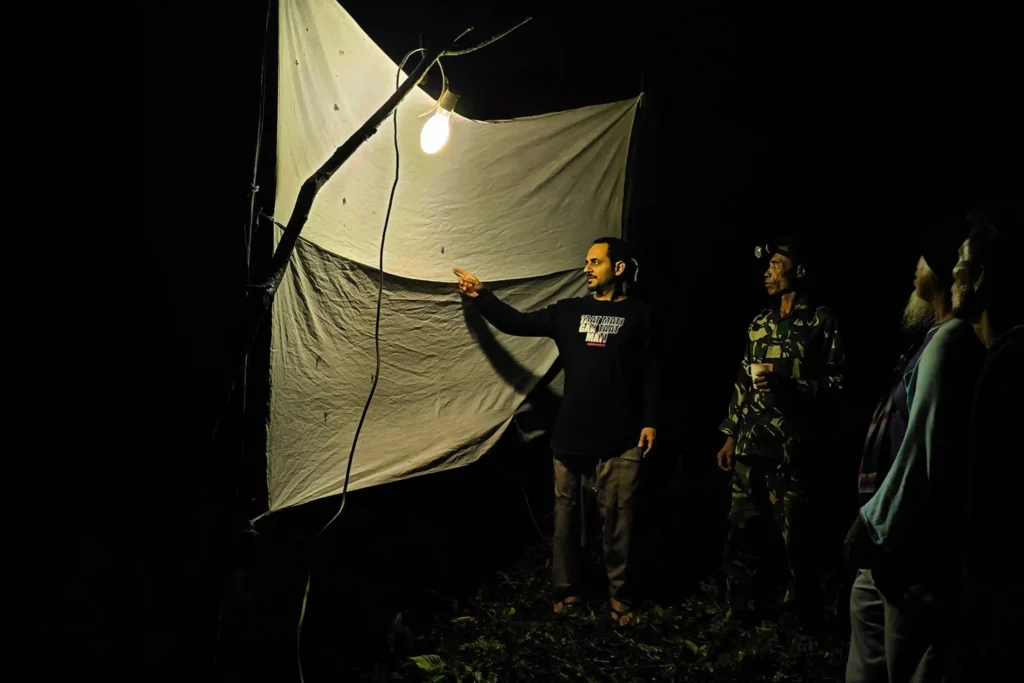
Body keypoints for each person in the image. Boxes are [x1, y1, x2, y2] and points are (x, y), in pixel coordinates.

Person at [454, 237, 658, 626]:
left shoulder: (640, 315)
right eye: (586, 262)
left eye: (595, 262)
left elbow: (651, 372)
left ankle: (620, 597)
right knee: (567, 524)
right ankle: (568, 591)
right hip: (572, 437)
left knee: (620, 523)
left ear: (618, 269)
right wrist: (482, 296)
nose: (587, 268)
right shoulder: (568, 312)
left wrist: (650, 421)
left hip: (622, 437)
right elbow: (517, 322)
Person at [844, 221, 974, 683]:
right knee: (871, 656)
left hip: (908, 546)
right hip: (889, 549)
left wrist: (873, 521)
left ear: (936, 275)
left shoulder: (950, 344)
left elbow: (923, 446)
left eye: (919, 264)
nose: (912, 273)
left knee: (908, 660)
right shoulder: (931, 341)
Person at [715, 237, 845, 628]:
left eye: (775, 264)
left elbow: (839, 382)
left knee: (799, 539)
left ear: (799, 271)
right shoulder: (760, 322)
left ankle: (804, 617)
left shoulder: (822, 321)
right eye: (767, 266)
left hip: (793, 448)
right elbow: (742, 379)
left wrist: (795, 387)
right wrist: (730, 434)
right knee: (742, 531)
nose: (767, 272)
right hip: (751, 445)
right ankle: (740, 609)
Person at [950, 208, 1024, 682]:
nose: (952, 272)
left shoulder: (1012, 367)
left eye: (961, 261)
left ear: (981, 277)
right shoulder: (994, 360)